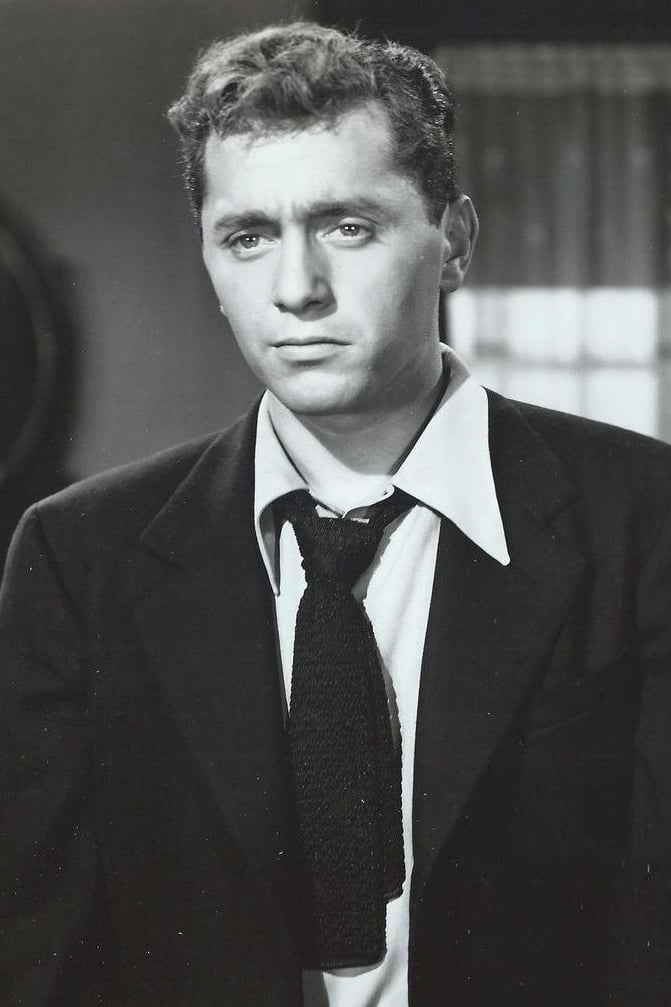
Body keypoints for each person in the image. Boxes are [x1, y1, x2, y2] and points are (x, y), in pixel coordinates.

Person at [2, 20, 671, 1007]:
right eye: (248, 236)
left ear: (453, 243)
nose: (296, 289)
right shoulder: (77, 554)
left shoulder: (646, 517)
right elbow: (40, 956)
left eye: (346, 226)